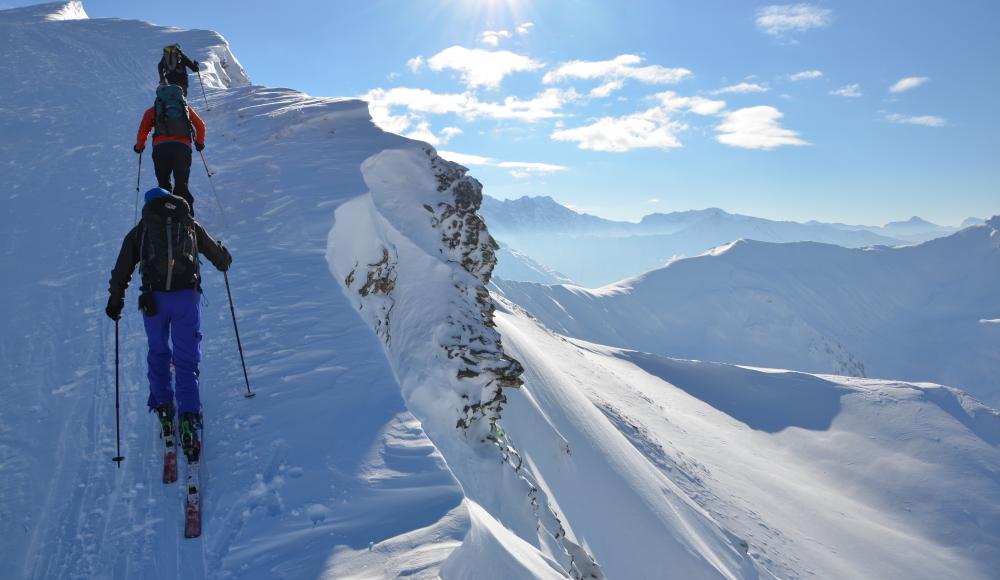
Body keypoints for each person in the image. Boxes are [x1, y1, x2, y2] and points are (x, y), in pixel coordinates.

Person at [105, 187, 232, 462]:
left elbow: (121, 270)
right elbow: (219, 257)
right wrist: (224, 259)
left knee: (159, 353)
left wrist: (116, 301)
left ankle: (164, 407)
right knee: (186, 360)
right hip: (187, 298)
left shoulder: (142, 230)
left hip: (154, 301)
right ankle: (188, 414)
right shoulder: (188, 223)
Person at [134, 84, 206, 211]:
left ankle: (165, 214)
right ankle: (186, 216)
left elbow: (142, 132)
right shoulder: (185, 109)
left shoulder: (153, 110)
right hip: (183, 149)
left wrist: (139, 146)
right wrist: (199, 143)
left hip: (160, 149)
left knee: (163, 183)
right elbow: (200, 126)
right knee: (181, 183)